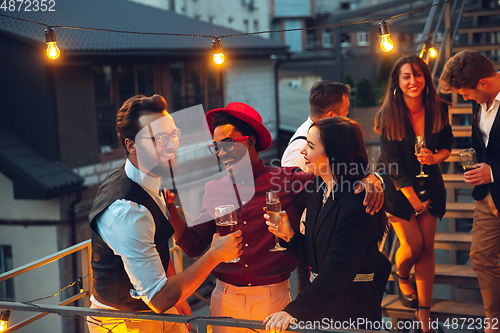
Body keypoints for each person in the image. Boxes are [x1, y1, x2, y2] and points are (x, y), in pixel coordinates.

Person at [169, 102, 384, 333]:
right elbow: (193, 246)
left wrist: (372, 179)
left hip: (275, 297)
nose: (221, 153)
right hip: (225, 296)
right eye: (216, 147)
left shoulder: (288, 181)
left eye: (228, 144)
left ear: (250, 142)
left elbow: (338, 180)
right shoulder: (213, 188)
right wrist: (170, 207)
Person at [87, 95, 243, 333]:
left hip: (155, 308)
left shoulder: (147, 177)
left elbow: (156, 247)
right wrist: (214, 255)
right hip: (122, 322)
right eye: (159, 138)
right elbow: (158, 298)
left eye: (173, 134)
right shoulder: (127, 210)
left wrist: (179, 299)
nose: (171, 145)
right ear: (131, 145)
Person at [263, 117, 390, 332]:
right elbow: (318, 256)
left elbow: (339, 268)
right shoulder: (317, 188)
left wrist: (294, 310)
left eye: (310, 146)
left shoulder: (358, 199)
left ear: (333, 153)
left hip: (351, 310)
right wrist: (290, 236)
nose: (303, 151)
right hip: (324, 306)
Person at [280, 80, 385, 293]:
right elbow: (299, 201)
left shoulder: (351, 197)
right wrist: (289, 235)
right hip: (311, 245)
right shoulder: (302, 151)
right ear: (331, 116)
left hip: (331, 254)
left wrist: (373, 179)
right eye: (345, 113)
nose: (347, 118)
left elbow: (340, 267)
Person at [375, 54, 453, 333]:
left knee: (428, 249)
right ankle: (401, 274)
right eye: (406, 76)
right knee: (413, 245)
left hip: (429, 183)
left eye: (418, 74)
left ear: (426, 77)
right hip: (398, 189)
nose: (413, 81)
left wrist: (436, 158)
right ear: (397, 81)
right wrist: (416, 203)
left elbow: (447, 145)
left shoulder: (439, 108)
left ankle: (424, 315)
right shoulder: (388, 114)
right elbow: (394, 166)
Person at [439, 50, 500, 331]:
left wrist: (493, 171)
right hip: (487, 197)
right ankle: (494, 323)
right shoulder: (482, 103)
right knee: (481, 257)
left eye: (466, 93)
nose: (465, 99)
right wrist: (478, 165)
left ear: (483, 83)